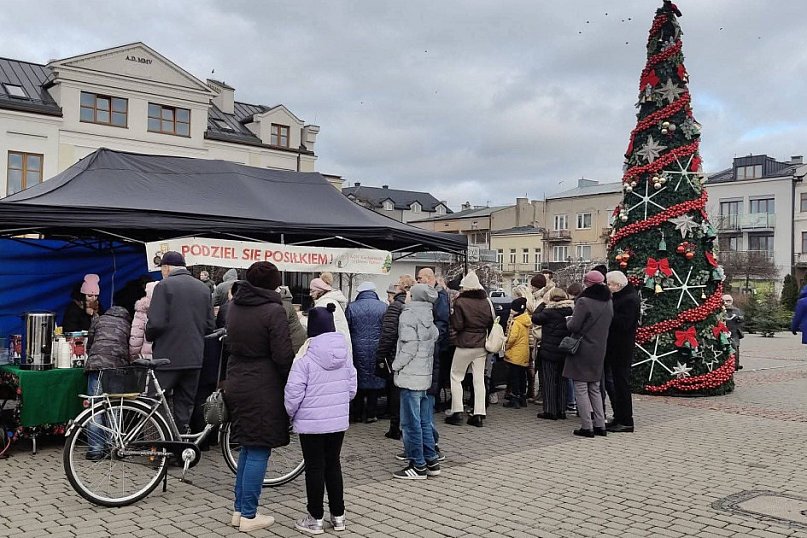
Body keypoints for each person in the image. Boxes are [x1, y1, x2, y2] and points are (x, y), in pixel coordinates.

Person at [224, 261, 294, 532]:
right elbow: (282, 355)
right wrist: (291, 381)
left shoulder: (234, 306)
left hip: (236, 379)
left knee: (247, 445)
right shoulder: (273, 311)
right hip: (262, 384)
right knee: (258, 448)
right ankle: (249, 515)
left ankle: (239, 510)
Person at [285, 304, 357, 534]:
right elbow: (352, 388)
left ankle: (315, 517)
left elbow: (293, 392)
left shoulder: (305, 356)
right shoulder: (344, 354)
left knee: (314, 467)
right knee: (333, 464)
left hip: (311, 422)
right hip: (337, 422)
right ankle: (339, 516)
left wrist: (291, 414)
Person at [145, 251, 215, 434]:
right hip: (194, 358)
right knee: (185, 406)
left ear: (166, 267)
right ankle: (180, 444)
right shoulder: (203, 288)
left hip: (167, 357)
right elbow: (210, 326)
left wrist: (149, 335)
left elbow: (155, 323)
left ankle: (162, 443)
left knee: (154, 402)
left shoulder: (164, 286)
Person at [392, 283, 441, 479]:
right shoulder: (428, 315)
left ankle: (418, 465)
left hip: (410, 376)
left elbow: (409, 347)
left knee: (410, 423)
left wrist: (395, 365)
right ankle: (432, 461)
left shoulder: (409, 315)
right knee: (424, 422)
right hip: (424, 376)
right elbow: (435, 336)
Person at [563, 270, 613, 438]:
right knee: (595, 388)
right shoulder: (608, 301)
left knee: (581, 387)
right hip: (600, 349)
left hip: (583, 348)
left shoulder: (583, 301)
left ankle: (587, 426)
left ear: (587, 283)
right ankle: (600, 424)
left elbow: (574, 326)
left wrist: (568, 320)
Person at [84, 305, 132, 460]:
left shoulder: (99, 320)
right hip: (117, 368)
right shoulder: (127, 324)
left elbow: (90, 344)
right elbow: (130, 348)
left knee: (95, 407)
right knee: (114, 408)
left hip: (96, 366)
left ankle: (95, 450)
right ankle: (114, 447)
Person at [446, 271, 492, 427]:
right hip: (481, 344)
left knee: (456, 376)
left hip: (464, 344)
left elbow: (458, 325)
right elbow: (490, 322)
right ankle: (479, 414)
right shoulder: (486, 301)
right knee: (479, 379)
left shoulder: (460, 302)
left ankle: (457, 411)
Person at [376, 275, 415, 439]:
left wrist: (380, 355)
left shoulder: (395, 307)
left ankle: (395, 427)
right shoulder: (414, 305)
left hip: (395, 354)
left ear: (401, 287)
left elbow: (388, 334)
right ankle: (407, 425)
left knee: (395, 391)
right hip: (411, 355)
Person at [345, 281, 388, 423]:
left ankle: (357, 413)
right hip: (377, 347)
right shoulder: (383, 307)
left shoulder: (351, 307)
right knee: (375, 377)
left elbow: (347, 328)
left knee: (358, 377)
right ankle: (371, 413)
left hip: (357, 347)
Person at [604, 271, 641, 433]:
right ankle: (619, 417)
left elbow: (624, 323)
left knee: (621, 384)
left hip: (621, 347)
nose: (608, 287)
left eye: (609, 284)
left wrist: (608, 314)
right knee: (618, 383)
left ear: (617, 285)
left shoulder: (629, 299)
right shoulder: (622, 296)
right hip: (616, 346)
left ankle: (626, 420)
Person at [533, 288, 574, 420]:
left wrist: (542, 303)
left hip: (549, 351)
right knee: (563, 380)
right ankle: (561, 410)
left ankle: (550, 410)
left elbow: (535, 318)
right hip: (564, 350)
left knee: (549, 380)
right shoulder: (570, 310)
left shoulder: (548, 312)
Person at [307, 278, 352, 352]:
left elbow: (317, 327)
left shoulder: (323, 303)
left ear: (321, 291)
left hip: (333, 348)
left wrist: (302, 320)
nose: (310, 294)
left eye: (313, 291)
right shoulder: (330, 301)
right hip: (339, 345)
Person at [503, 297, 530, 409]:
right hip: (523, 353)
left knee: (514, 377)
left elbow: (512, 338)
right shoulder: (526, 320)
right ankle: (522, 397)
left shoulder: (516, 322)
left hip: (514, 353)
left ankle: (514, 398)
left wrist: (506, 346)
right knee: (522, 376)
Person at [129, 282, 157, 360]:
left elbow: (136, 336)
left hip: (146, 359)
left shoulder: (142, 310)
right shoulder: (172, 309)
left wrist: (134, 357)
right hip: (168, 357)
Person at [279, 285, 307, 355]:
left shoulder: (284, 304)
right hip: (296, 341)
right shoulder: (286, 303)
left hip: (294, 343)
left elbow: (280, 324)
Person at [722, 294, 745, 371]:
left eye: (728, 301)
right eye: (724, 301)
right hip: (723, 332)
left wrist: (739, 319)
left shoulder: (736, 310)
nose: (726, 303)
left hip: (734, 332)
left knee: (735, 348)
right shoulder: (720, 310)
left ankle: (735, 365)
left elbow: (742, 320)